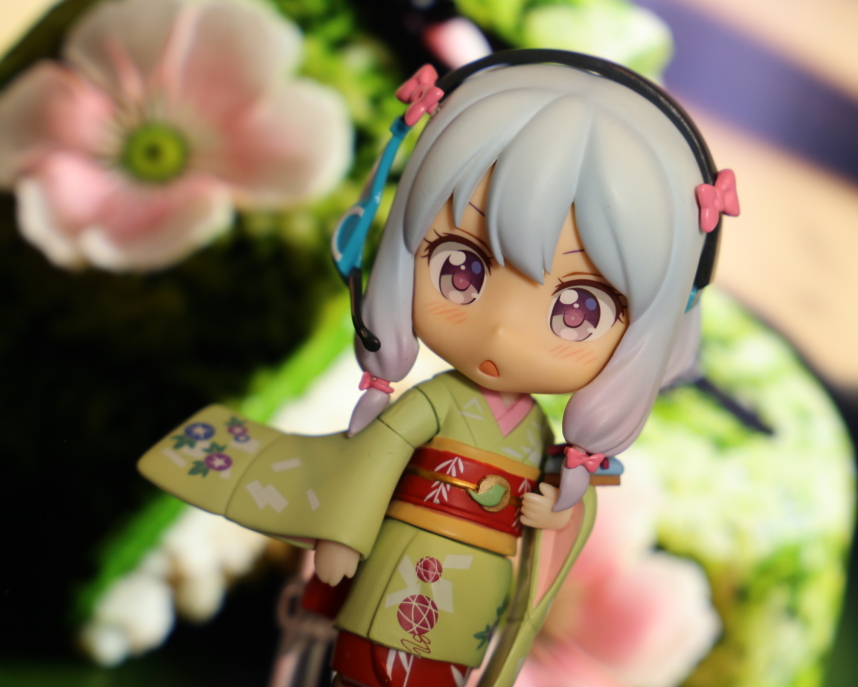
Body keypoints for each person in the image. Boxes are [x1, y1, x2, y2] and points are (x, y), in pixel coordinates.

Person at [138, 51, 736, 687]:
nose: (501, 330)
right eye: (461, 267)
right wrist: (343, 536)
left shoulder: (539, 438)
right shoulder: (434, 403)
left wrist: (553, 513)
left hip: (473, 597)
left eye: (578, 309)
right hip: (395, 573)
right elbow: (373, 459)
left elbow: (561, 513)